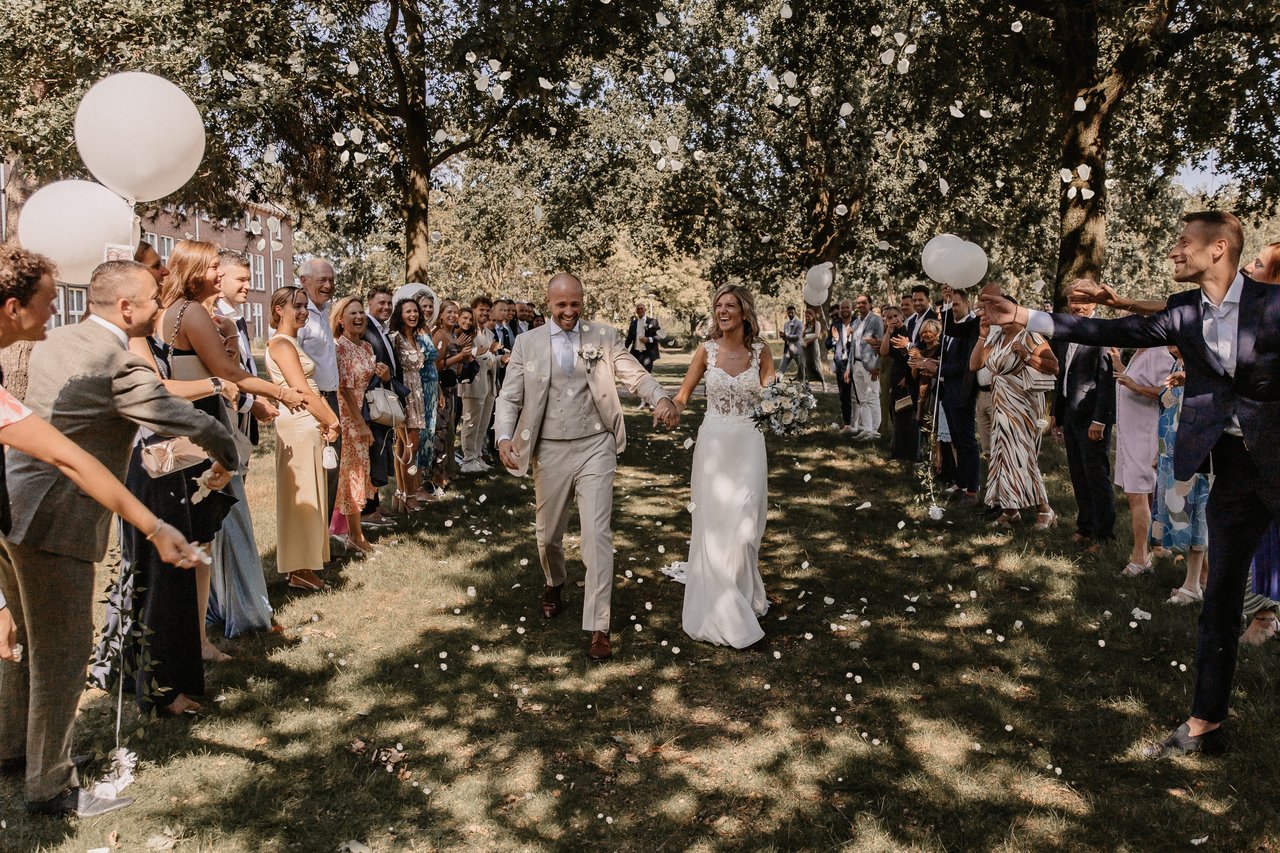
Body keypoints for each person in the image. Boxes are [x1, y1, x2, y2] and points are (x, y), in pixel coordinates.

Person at [982, 210, 1280, 758]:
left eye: (1183, 242)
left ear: (1219, 249)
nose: (1173, 250)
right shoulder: (1183, 311)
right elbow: (1106, 328)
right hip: (1233, 470)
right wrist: (1025, 314)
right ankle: (1206, 723)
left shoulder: (1273, 305)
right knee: (1220, 597)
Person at [1, 256, 235, 817]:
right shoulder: (116, 361)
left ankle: (13, 752)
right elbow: (182, 417)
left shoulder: (58, 340)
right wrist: (227, 451)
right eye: (155, 299)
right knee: (62, 652)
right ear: (127, 308)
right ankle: (51, 786)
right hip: (57, 520)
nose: (162, 307)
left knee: (26, 642)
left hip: (11, 508)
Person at [493, 273, 678, 661]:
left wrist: (660, 397)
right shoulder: (527, 343)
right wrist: (503, 437)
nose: (569, 311)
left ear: (582, 301)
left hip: (596, 444)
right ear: (549, 304)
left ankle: (599, 626)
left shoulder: (603, 337)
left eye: (574, 304)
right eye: (561, 305)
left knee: (596, 536)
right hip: (549, 449)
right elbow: (509, 398)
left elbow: (634, 374)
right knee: (547, 535)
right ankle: (554, 580)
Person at [160, 240, 300, 660]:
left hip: (187, 423)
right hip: (202, 425)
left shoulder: (174, 313)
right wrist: (282, 393)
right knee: (201, 532)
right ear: (198, 271)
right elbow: (226, 373)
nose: (221, 277)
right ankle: (199, 639)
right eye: (215, 270)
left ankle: (200, 628)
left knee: (198, 532)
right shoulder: (193, 312)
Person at [668, 285, 775, 647]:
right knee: (713, 527)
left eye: (730, 305)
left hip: (748, 442)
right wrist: (672, 409)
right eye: (718, 306)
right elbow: (683, 396)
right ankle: (720, 610)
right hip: (713, 444)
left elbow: (772, 395)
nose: (722, 311)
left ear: (744, 312)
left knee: (745, 530)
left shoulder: (761, 351)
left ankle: (741, 594)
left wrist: (786, 406)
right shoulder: (706, 351)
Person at [207, 249, 277, 638]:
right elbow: (227, 377)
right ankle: (245, 611)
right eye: (242, 280)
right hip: (223, 427)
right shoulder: (213, 320)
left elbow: (245, 367)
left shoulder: (237, 320)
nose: (248, 287)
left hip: (241, 428)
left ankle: (226, 603)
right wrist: (256, 403)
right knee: (231, 520)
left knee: (227, 521)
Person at [266, 286, 341, 592]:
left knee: (313, 492)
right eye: (295, 306)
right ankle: (298, 569)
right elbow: (304, 391)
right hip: (297, 423)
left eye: (304, 307)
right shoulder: (282, 345)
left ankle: (307, 563)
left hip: (308, 421)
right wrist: (332, 420)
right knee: (302, 496)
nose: (301, 312)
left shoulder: (293, 343)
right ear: (278, 309)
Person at [970, 289, 1058, 528]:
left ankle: (1045, 510)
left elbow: (1053, 367)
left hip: (1024, 406)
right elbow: (975, 364)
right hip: (1001, 405)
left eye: (1000, 310)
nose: (996, 314)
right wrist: (982, 336)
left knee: (1022, 456)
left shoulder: (1031, 336)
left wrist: (1028, 356)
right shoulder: (997, 338)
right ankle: (1010, 511)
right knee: (1000, 457)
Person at [1049, 300, 1116, 548]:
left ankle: (1103, 534)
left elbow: (1106, 379)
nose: (1076, 305)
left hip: (1092, 418)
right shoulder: (1067, 332)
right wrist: (1057, 412)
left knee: (1096, 475)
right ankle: (1085, 526)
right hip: (1070, 414)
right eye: (1072, 301)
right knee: (1078, 474)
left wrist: (1100, 420)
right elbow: (1062, 374)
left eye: (1081, 300)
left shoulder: (1102, 332)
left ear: (1092, 302)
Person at [1149, 350, 1211, 605]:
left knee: (1196, 514)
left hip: (1194, 449)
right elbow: (1168, 409)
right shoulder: (1179, 361)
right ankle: (1203, 579)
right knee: (1180, 514)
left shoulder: (1202, 363)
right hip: (1171, 448)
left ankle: (1191, 585)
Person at [1112, 346, 1175, 576]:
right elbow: (1131, 381)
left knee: (1137, 495)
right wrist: (1120, 366)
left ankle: (1140, 558)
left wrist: (1136, 386)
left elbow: (1170, 393)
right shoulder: (1139, 351)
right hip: (1129, 435)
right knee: (1143, 494)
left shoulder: (1159, 353)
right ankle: (1154, 547)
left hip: (1145, 434)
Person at [330, 296, 383, 555]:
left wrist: (381, 372)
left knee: (361, 473)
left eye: (361, 312)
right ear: (340, 319)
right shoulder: (339, 348)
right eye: (352, 313)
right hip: (348, 417)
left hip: (365, 412)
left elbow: (367, 379)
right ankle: (355, 535)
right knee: (352, 475)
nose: (359, 317)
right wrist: (360, 425)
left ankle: (354, 531)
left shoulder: (366, 348)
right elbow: (345, 388)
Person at [295, 258, 341, 536]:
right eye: (322, 280)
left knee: (332, 469)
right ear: (304, 281)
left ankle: (322, 539)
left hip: (331, 396)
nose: (328, 285)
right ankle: (311, 540)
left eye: (331, 280)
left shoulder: (324, 313)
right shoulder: (299, 315)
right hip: (313, 400)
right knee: (315, 471)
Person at [937, 288, 981, 502]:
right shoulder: (955, 329)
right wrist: (945, 302)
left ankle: (972, 489)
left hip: (963, 391)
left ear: (967, 303)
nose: (953, 309)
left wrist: (936, 369)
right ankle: (961, 483)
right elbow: (948, 328)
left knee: (967, 441)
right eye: (951, 305)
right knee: (956, 441)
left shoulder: (972, 327)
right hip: (949, 392)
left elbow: (965, 366)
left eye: (955, 305)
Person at [361, 285, 399, 525]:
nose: (385, 307)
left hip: (385, 395)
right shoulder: (366, 328)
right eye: (381, 303)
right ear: (370, 303)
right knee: (373, 454)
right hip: (373, 400)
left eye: (388, 303)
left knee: (381, 452)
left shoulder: (382, 329)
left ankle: (375, 503)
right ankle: (367, 511)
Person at [390, 298, 428, 510]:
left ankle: (401, 494)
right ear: (400, 314)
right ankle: (410, 495)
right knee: (411, 445)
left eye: (415, 311)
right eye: (408, 312)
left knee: (404, 446)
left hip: (417, 392)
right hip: (405, 393)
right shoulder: (395, 338)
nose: (412, 315)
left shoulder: (414, 336)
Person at [431, 300, 471, 496]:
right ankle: (436, 475)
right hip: (441, 389)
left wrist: (464, 358)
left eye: (455, 312)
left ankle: (445, 470)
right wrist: (459, 355)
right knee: (440, 432)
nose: (453, 315)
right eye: (449, 312)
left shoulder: (452, 335)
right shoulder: (439, 335)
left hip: (451, 387)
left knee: (448, 431)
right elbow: (437, 365)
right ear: (440, 314)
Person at [459, 296, 500, 474]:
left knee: (483, 423)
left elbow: (489, 358)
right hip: (473, 383)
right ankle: (468, 459)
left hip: (489, 383)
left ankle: (477, 457)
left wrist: (501, 359)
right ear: (473, 310)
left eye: (487, 310)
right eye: (480, 309)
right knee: (471, 423)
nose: (484, 313)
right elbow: (468, 356)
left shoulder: (489, 333)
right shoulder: (469, 332)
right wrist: (487, 353)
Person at [879, 307, 918, 461]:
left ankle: (909, 453)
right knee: (895, 413)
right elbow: (883, 351)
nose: (893, 319)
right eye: (889, 318)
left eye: (896, 316)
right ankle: (898, 452)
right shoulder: (891, 333)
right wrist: (887, 333)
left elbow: (913, 355)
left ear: (902, 316)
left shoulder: (908, 332)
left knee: (906, 414)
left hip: (907, 375)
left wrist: (907, 377)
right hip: (895, 375)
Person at [413, 289, 442, 496]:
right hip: (420, 386)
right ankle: (416, 483)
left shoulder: (427, 329)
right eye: (424, 306)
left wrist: (439, 390)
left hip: (433, 385)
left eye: (430, 306)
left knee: (430, 432)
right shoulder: (412, 330)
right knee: (421, 433)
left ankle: (426, 478)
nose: (428, 309)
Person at [846, 294, 884, 440]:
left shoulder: (876, 320)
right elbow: (852, 347)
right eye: (858, 303)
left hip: (870, 365)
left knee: (872, 397)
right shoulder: (855, 322)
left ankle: (875, 431)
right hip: (856, 364)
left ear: (870, 304)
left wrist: (877, 365)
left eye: (863, 303)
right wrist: (849, 367)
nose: (860, 305)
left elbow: (880, 344)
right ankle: (867, 429)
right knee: (862, 399)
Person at [828, 299, 857, 431]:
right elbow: (827, 344)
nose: (845, 310)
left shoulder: (858, 322)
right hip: (841, 363)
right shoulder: (835, 324)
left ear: (851, 309)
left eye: (847, 308)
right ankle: (847, 424)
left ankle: (859, 423)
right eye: (842, 308)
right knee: (844, 396)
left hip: (856, 363)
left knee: (857, 395)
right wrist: (835, 339)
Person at [624, 302, 662, 372]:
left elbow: (660, 335)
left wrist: (648, 339)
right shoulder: (633, 323)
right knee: (635, 373)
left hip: (648, 354)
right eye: (638, 309)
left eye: (642, 309)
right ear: (636, 311)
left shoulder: (653, 322)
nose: (640, 310)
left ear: (645, 310)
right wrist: (623, 349)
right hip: (635, 353)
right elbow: (629, 339)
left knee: (646, 374)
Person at [800, 306, 827, 391]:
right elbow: (801, 335)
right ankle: (807, 385)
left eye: (808, 316)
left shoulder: (817, 323)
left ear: (812, 315)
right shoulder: (805, 325)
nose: (807, 318)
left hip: (813, 347)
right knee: (806, 365)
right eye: (806, 316)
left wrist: (807, 342)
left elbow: (816, 335)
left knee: (816, 365)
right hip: (805, 348)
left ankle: (823, 383)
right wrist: (802, 341)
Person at [777, 305, 803, 380]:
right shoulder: (786, 324)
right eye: (789, 313)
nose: (790, 314)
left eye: (792, 312)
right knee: (781, 368)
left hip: (796, 349)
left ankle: (805, 385)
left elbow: (798, 336)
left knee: (801, 368)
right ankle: (776, 385)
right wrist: (783, 336)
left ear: (795, 313)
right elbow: (787, 338)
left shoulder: (799, 323)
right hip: (787, 350)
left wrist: (786, 336)